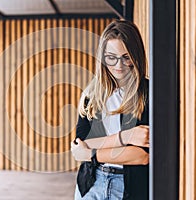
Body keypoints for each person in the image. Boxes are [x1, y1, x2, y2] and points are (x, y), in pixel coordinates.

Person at [71, 19, 150, 200]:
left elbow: (141, 156)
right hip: (90, 185)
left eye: (126, 57)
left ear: (136, 55)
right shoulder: (92, 95)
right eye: (111, 57)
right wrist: (127, 136)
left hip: (128, 187)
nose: (118, 65)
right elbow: (79, 144)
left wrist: (91, 153)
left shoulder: (147, 94)